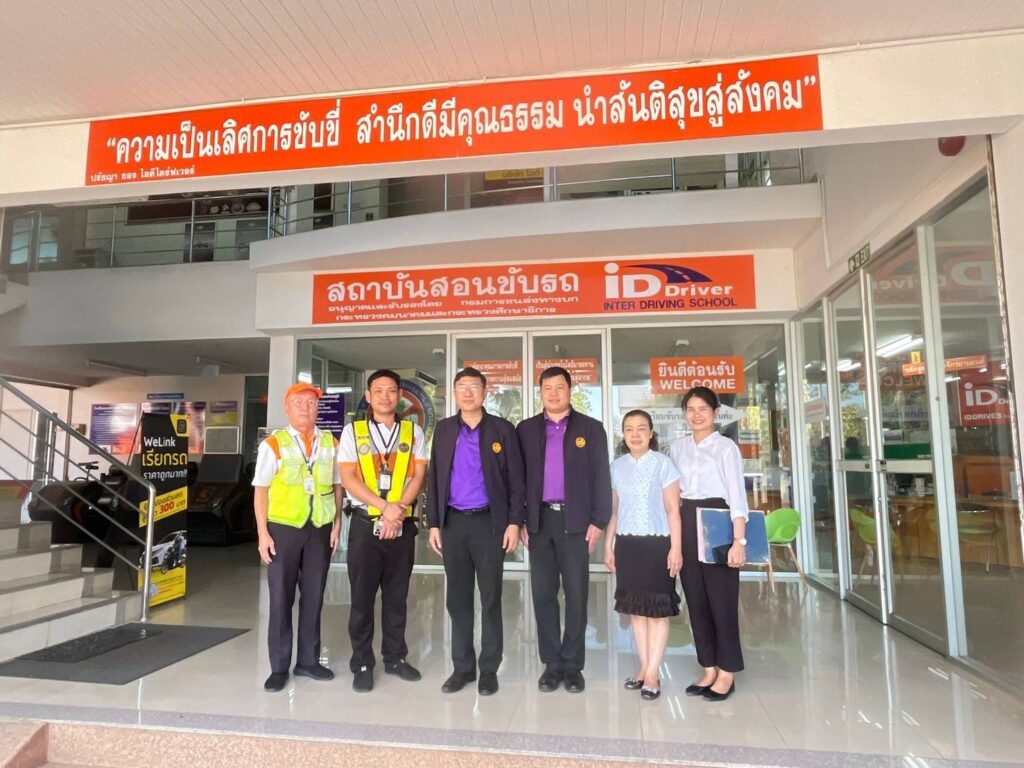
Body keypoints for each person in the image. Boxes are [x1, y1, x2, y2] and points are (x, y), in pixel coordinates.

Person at [425, 367, 525, 696]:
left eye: (474, 387)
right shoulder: (444, 430)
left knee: (491, 597)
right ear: (454, 392)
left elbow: (517, 481)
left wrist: (514, 521)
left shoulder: (502, 429)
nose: (467, 393)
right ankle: (463, 667)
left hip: (489, 524)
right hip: (453, 524)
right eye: (461, 387)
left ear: (485, 391)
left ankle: (489, 668)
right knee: (458, 598)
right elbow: (434, 478)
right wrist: (434, 523)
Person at [517, 365, 611, 693]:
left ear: (570, 391)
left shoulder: (591, 428)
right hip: (539, 522)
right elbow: (517, 479)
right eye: (547, 388)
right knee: (543, 594)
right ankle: (551, 664)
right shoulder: (526, 430)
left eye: (560, 387)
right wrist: (520, 519)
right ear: (540, 393)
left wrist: (598, 521)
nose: (554, 393)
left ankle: (572, 665)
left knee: (576, 594)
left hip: (577, 523)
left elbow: (601, 477)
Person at [338, 369, 427, 692]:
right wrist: (383, 506)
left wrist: (396, 510)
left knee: (397, 597)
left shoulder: (413, 432)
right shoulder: (353, 431)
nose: (385, 397)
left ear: (400, 395)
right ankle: (362, 662)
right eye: (379, 391)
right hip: (365, 526)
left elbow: (419, 476)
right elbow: (348, 478)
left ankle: (395, 657)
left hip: (401, 526)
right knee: (362, 599)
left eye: (391, 391)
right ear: (368, 395)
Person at [252, 382, 343, 693]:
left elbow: (337, 485)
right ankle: (279, 667)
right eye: (299, 402)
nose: (306, 408)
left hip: (319, 528)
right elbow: (260, 491)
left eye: (311, 403)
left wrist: (337, 523)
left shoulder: (330, 442)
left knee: (314, 596)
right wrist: (262, 533)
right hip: (283, 530)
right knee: (280, 598)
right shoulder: (273, 445)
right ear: (287, 408)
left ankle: (308, 660)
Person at [669, 386, 749, 702]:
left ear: (715, 413)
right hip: (686, 520)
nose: (696, 414)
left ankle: (727, 671)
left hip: (718, 521)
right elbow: (673, 495)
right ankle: (709, 667)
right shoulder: (677, 448)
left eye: (703, 409)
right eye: (690, 409)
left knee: (722, 600)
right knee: (696, 599)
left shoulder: (726, 448)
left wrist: (738, 540)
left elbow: (737, 496)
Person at [604, 409, 682, 701]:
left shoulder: (664, 464)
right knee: (637, 610)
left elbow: (673, 511)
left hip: (658, 544)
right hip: (627, 545)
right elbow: (614, 512)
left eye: (641, 428)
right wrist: (609, 545)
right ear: (623, 434)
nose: (635, 434)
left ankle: (653, 674)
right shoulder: (617, 467)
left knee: (657, 611)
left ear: (651, 433)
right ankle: (644, 667)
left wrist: (676, 548)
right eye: (629, 429)